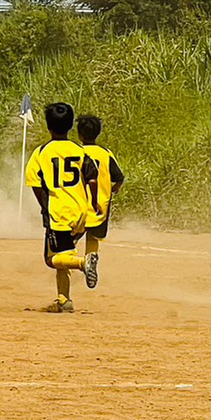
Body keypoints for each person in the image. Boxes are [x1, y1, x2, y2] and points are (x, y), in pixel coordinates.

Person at [24, 102, 99, 313]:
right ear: (70, 127)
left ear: (48, 126)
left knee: (51, 259)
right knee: (64, 254)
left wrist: (44, 207)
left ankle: (84, 263)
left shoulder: (42, 152)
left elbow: (35, 185)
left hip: (59, 214)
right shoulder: (79, 150)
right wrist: (92, 202)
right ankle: (64, 300)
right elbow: (93, 178)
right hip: (80, 212)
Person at [77, 114, 125, 262]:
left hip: (77, 203)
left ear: (79, 134)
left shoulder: (75, 152)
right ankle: (90, 259)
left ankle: (69, 262)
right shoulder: (105, 153)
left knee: (72, 236)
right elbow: (119, 177)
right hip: (100, 205)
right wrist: (115, 188)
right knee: (93, 237)